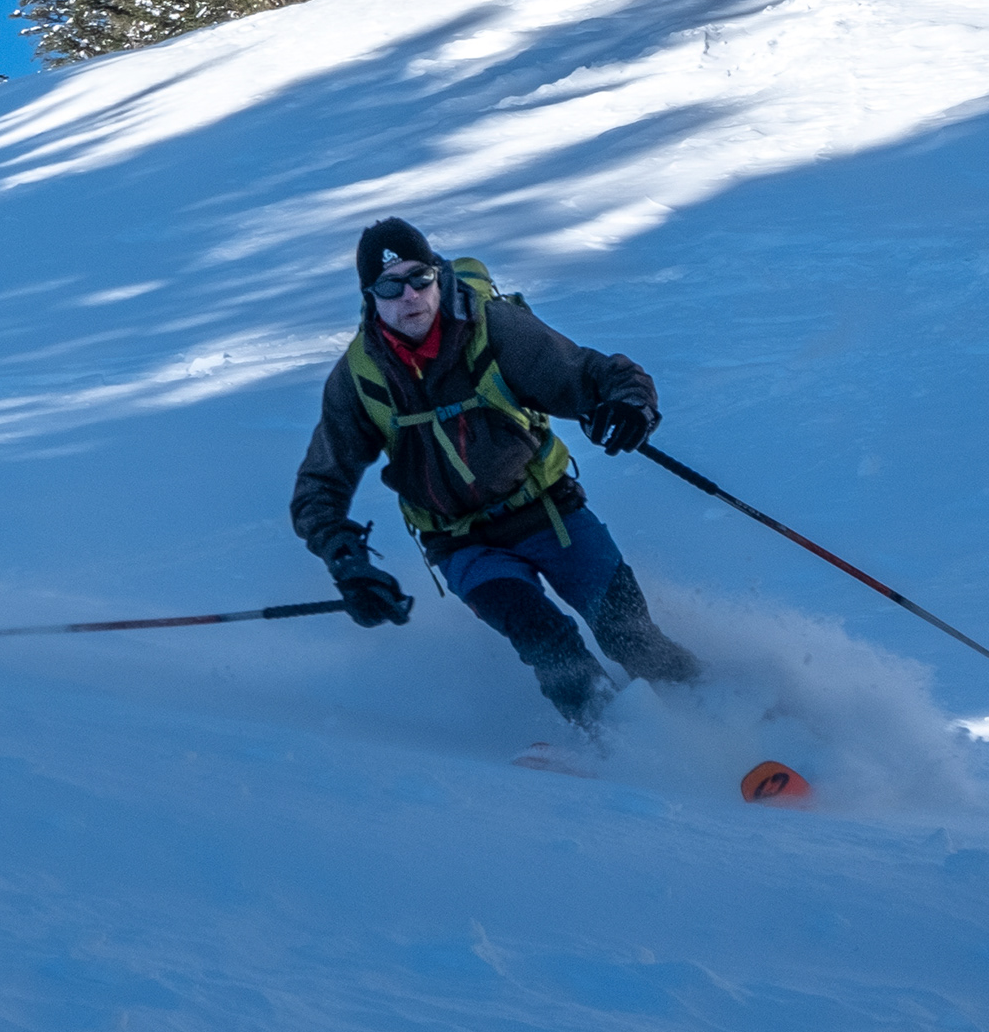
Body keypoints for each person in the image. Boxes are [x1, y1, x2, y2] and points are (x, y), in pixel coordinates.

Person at [290, 216, 703, 728]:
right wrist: (347, 561)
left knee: (629, 634)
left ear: (437, 275)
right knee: (544, 636)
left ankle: (736, 717)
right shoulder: (361, 377)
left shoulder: (492, 328)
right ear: (370, 296)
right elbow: (318, 489)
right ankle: (622, 744)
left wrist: (629, 406)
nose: (410, 296)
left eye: (419, 278)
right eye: (389, 287)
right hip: (463, 545)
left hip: (549, 511)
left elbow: (597, 376)